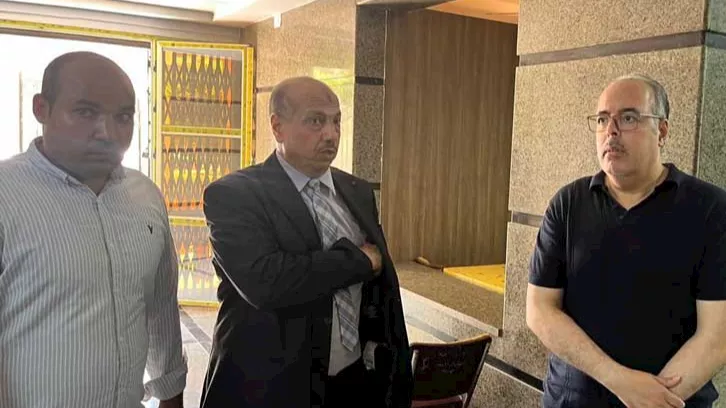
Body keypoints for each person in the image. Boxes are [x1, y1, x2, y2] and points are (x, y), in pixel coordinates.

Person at [199, 76, 412, 408]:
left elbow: (382, 289)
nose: (331, 134)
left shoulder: (356, 191)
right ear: (278, 127)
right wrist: (358, 261)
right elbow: (267, 282)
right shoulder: (234, 195)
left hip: (351, 383)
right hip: (269, 390)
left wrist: (394, 375)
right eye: (315, 121)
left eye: (336, 121)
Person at [526, 74, 726, 408]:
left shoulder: (710, 209)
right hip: (572, 401)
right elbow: (539, 309)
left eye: (629, 118)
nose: (612, 131)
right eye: (602, 119)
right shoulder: (568, 203)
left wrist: (654, 400)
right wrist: (618, 380)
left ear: (662, 131)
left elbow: (717, 334)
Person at [0, 51, 187, 407]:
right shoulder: (6, 195)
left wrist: (170, 395)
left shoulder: (144, 195)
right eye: (86, 112)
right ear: (42, 109)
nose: (107, 133)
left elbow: (160, 307)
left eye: (123, 117)